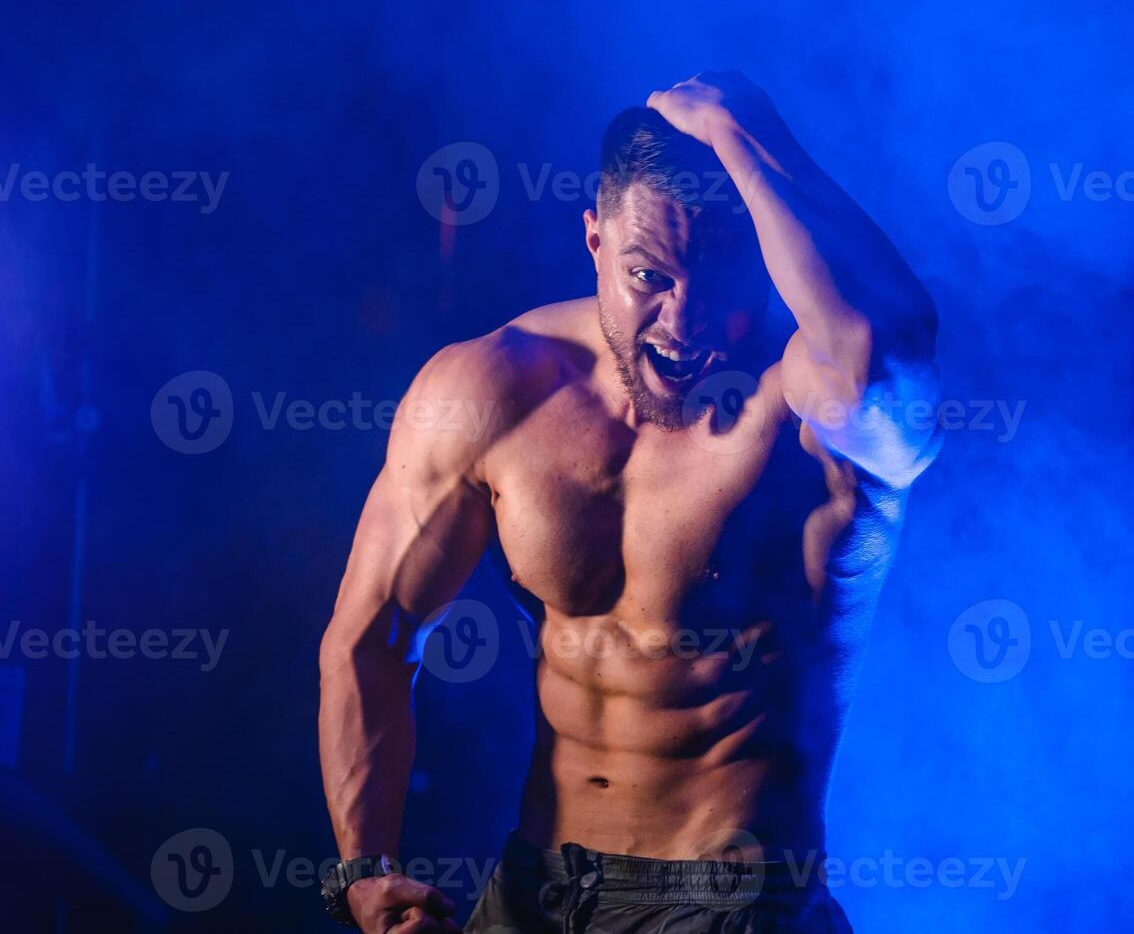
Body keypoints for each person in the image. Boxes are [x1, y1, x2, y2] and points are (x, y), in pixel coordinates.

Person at [318, 71, 942, 933]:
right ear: (593, 240)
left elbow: (882, 347)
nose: (683, 322)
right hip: (535, 891)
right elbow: (369, 638)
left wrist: (746, 132)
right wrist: (365, 869)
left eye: (719, 280)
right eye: (649, 274)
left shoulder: (807, 405)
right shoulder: (492, 391)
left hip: (731, 903)